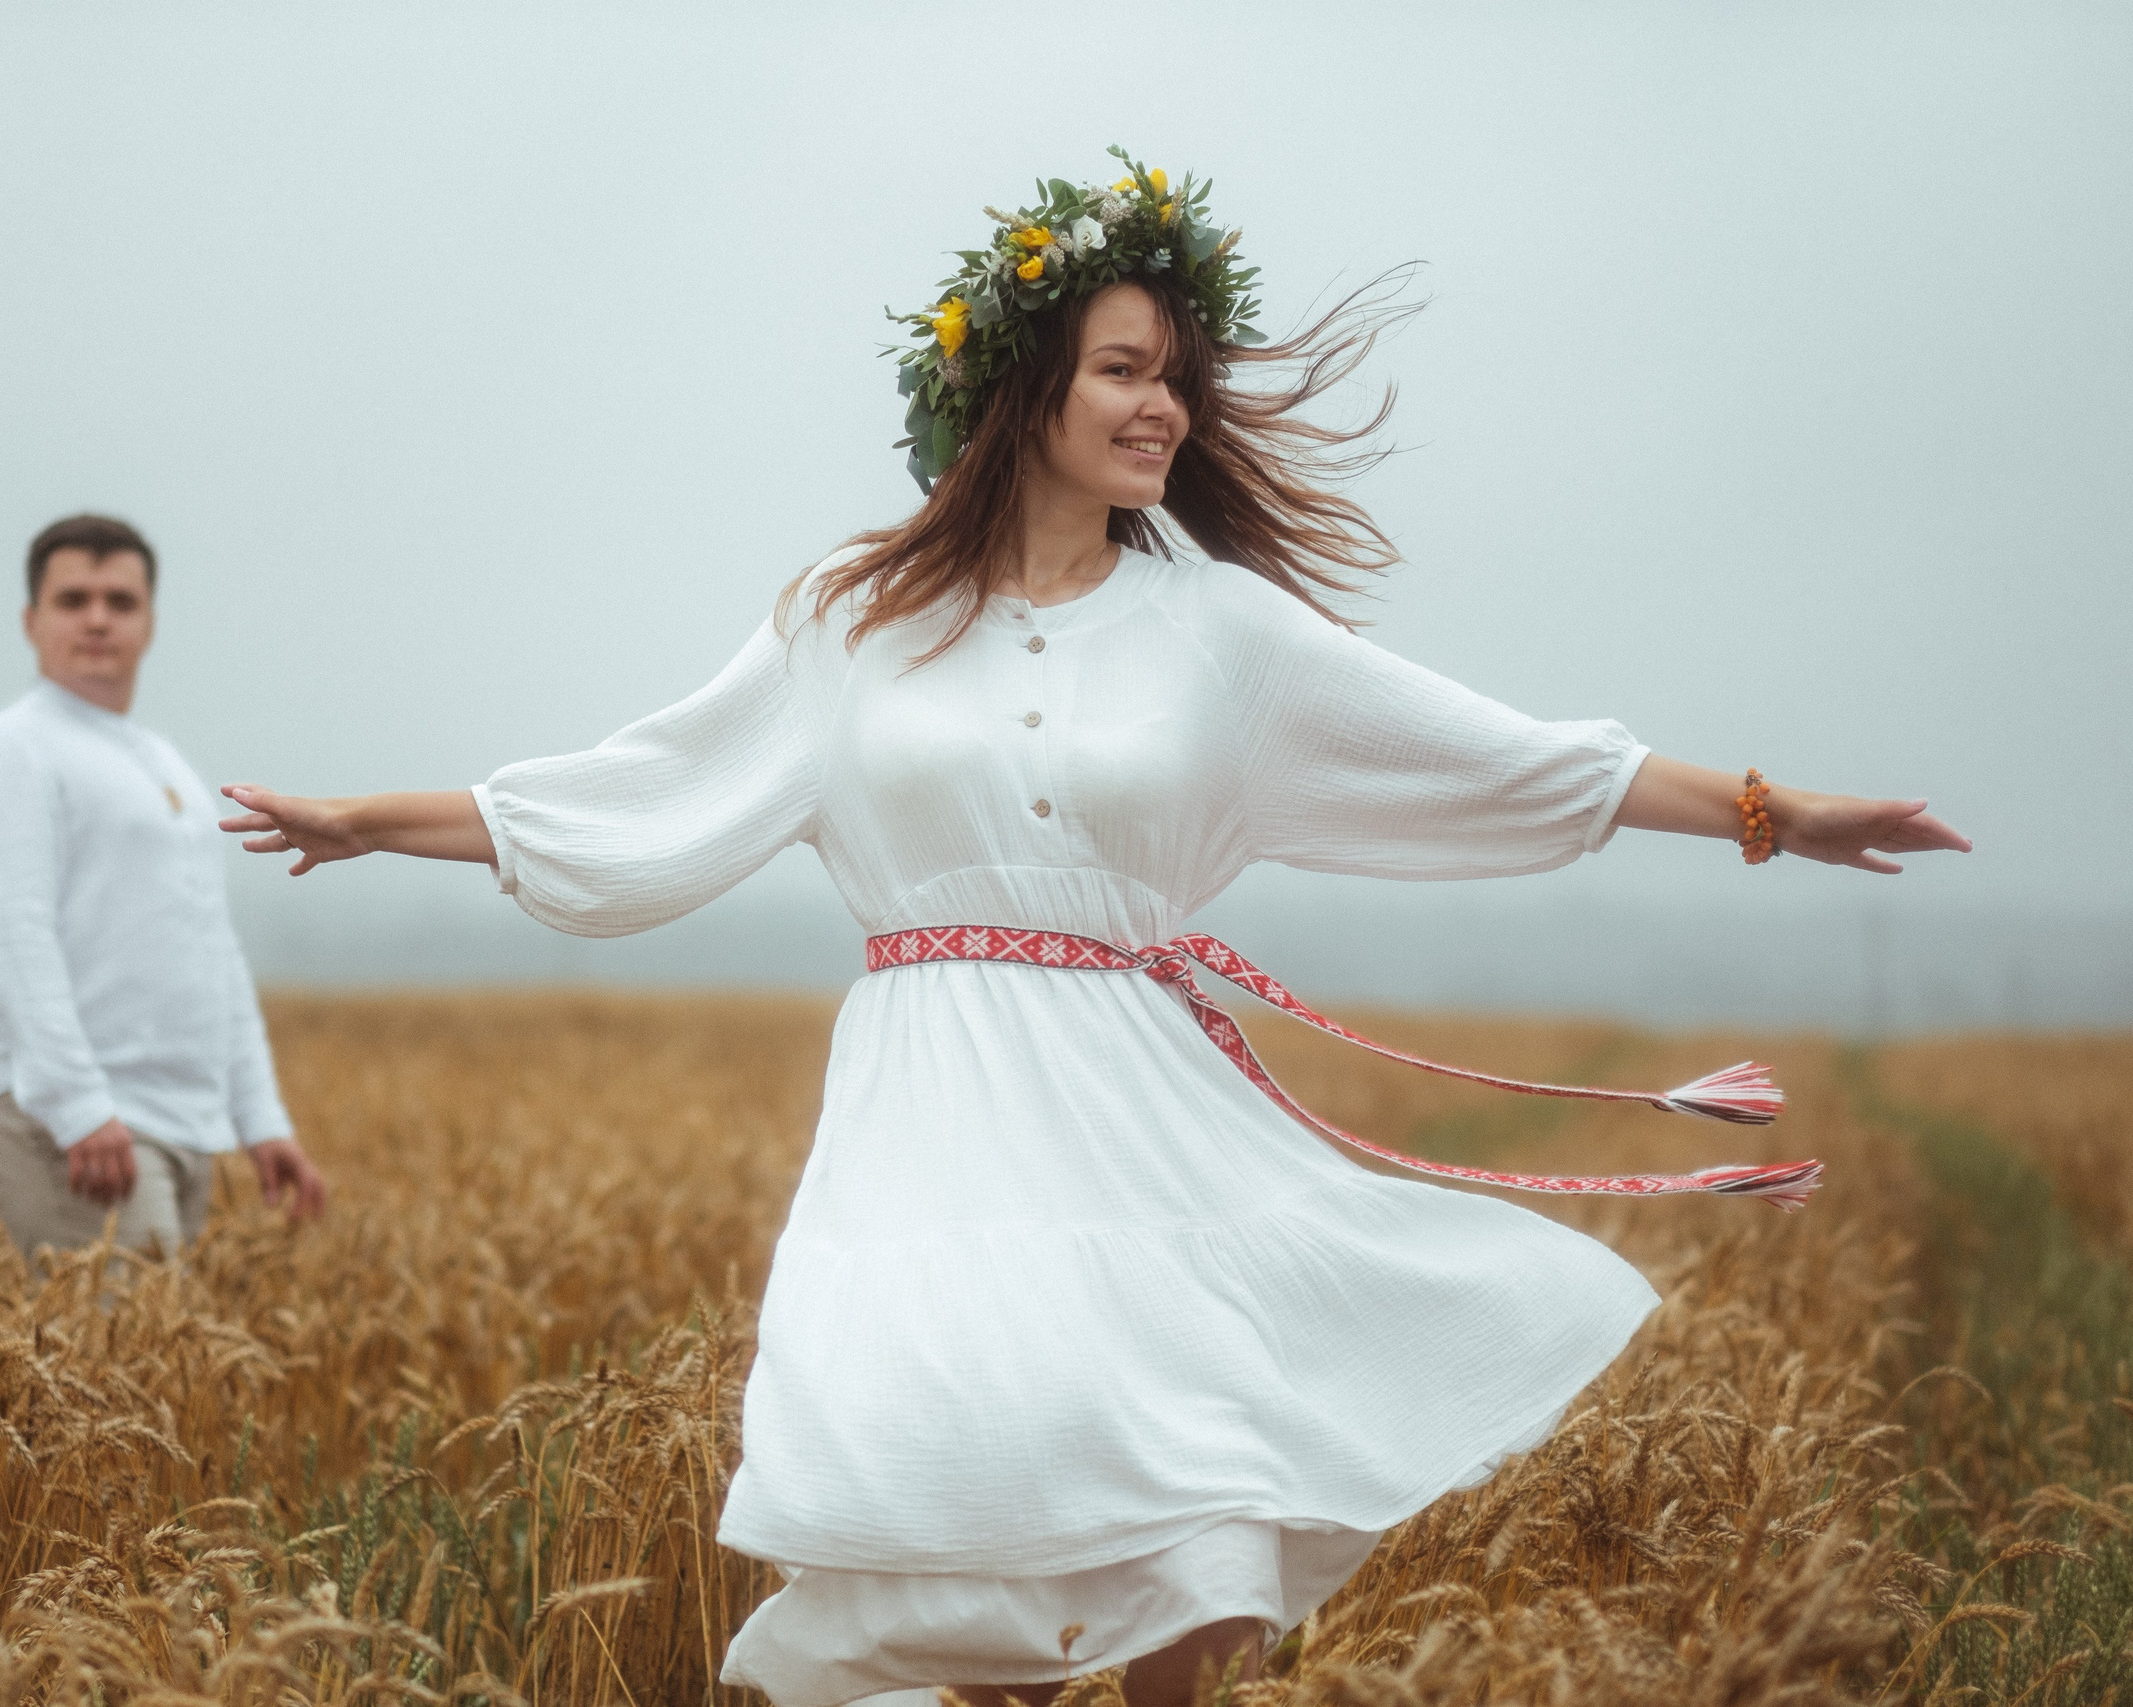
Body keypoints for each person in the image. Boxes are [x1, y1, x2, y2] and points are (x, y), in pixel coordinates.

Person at [217, 154, 1967, 1707]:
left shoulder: (1225, 635)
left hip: (1138, 1104)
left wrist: (1768, 810)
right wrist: (371, 824)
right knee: (961, 1476)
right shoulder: (852, 618)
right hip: (928, 1112)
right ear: (1020, 387)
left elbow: (1489, 752)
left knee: (1185, 1491)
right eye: (1125, 370)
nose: (1164, 408)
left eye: (1175, 380)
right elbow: (629, 792)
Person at [0, 513, 326, 1267]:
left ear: (150, 622)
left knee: (139, 1368)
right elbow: (12, 935)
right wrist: (78, 1107)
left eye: (120, 601)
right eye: (72, 598)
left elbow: (212, 951)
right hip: (69, 1118)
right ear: (31, 620)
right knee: (124, 1374)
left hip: (173, 1120)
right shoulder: (9, 751)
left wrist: (260, 1118)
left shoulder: (163, 764)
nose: (96, 619)